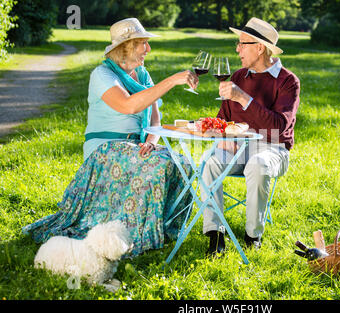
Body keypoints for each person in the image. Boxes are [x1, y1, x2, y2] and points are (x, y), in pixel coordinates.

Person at [23, 18, 199, 258]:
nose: (148, 49)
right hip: (105, 148)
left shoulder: (142, 75)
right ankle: (138, 233)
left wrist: (150, 142)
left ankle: (165, 227)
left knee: (183, 163)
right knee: (159, 165)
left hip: (136, 146)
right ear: (125, 47)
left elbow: (155, 121)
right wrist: (171, 81)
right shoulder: (102, 74)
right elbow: (128, 106)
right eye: (142, 44)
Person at [201, 17, 300, 255]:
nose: (237, 49)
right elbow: (222, 119)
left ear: (259, 47)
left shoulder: (288, 81)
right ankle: (215, 235)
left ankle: (252, 235)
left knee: (258, 164)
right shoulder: (238, 76)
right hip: (238, 147)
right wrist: (223, 137)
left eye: (242, 44)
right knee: (209, 162)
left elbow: (279, 125)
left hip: (273, 147)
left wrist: (244, 98)